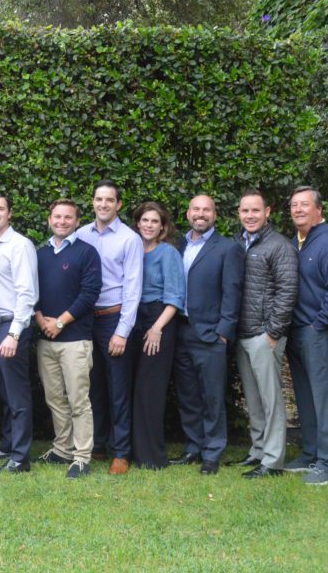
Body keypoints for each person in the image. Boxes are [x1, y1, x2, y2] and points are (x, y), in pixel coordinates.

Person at [169, 195, 244, 475]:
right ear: (188, 213)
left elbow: (232, 292)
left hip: (211, 334)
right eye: (196, 209)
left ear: (215, 215)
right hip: (180, 330)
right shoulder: (176, 245)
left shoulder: (227, 248)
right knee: (187, 393)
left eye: (207, 210)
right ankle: (193, 446)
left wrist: (223, 333)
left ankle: (212, 452)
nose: (201, 214)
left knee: (212, 396)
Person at [285, 186, 328, 485]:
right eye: (294, 205)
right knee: (305, 396)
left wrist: (318, 324)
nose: (298, 209)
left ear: (319, 210)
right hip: (297, 331)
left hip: (320, 331)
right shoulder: (297, 243)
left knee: (324, 397)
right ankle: (311, 453)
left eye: (305, 205)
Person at [76, 179, 143, 475]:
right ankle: (98, 445)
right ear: (92, 202)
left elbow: (133, 289)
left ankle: (121, 451)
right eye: (98, 199)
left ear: (118, 205)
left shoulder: (130, 239)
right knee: (92, 387)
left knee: (118, 389)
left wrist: (122, 331)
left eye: (109, 200)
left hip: (114, 319)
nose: (103, 204)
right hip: (85, 320)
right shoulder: (80, 235)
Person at [33, 199, 102, 479]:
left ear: (77, 221)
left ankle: (82, 456)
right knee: (54, 399)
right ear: (49, 220)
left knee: (78, 400)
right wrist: (41, 321)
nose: (62, 221)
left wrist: (60, 322)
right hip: (45, 339)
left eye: (68, 217)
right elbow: (30, 291)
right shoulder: (40, 254)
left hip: (75, 340)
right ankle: (62, 449)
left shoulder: (87, 253)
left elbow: (89, 294)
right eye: (57, 217)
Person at [232, 189, 298, 479]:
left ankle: (273, 461)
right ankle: (258, 450)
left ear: (267, 212)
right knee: (253, 399)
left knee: (270, 400)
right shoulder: (239, 244)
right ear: (239, 213)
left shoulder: (278, 245)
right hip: (243, 333)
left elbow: (287, 291)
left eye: (255, 210)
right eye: (245, 211)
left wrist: (273, 332)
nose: (250, 216)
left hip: (264, 335)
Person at [0, 193, 39, 474]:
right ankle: (7, 445)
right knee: (4, 394)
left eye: (0, 208)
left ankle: (20, 457)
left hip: (10, 327)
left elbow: (27, 294)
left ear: (10, 213)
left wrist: (14, 334)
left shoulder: (20, 246)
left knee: (17, 395)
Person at [128, 201, 184, 470]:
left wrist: (156, 329)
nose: (148, 225)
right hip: (133, 319)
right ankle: (133, 451)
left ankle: (152, 457)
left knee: (150, 390)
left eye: (154, 221)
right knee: (132, 388)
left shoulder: (168, 253)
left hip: (158, 321)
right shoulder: (134, 250)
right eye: (144, 220)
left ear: (162, 226)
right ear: (137, 223)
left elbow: (175, 297)